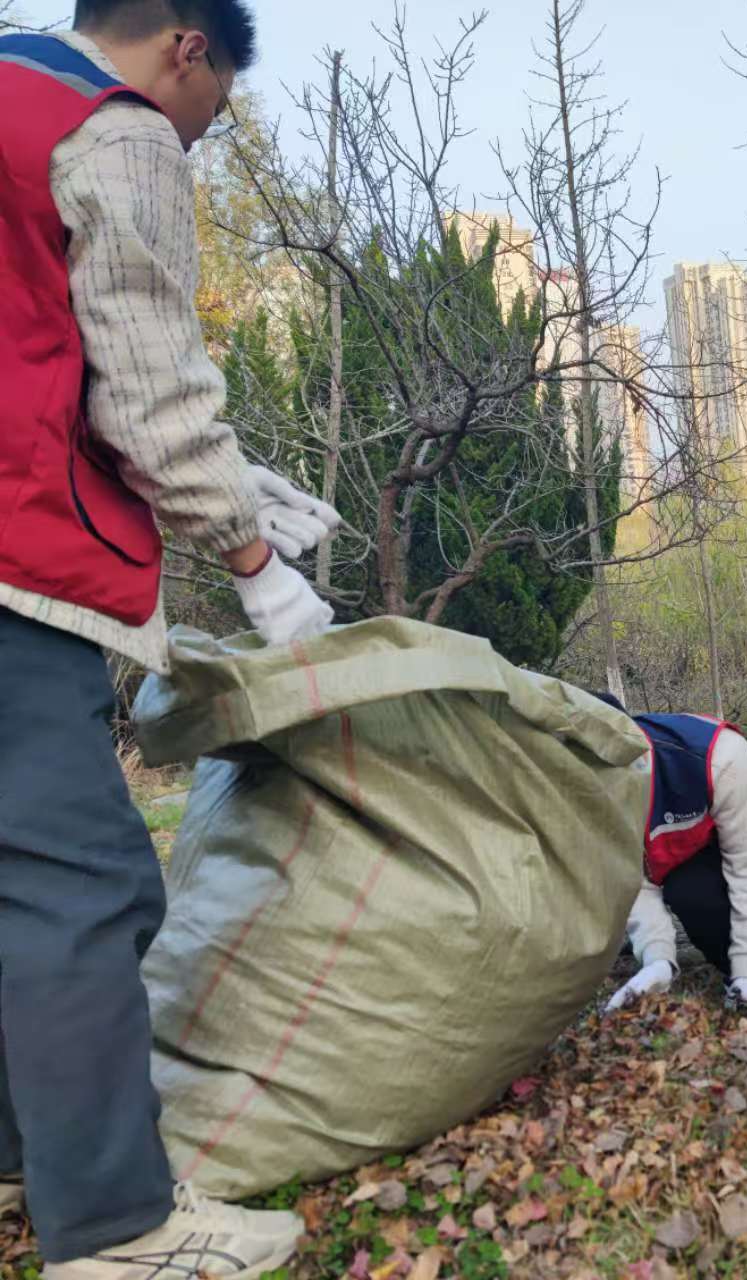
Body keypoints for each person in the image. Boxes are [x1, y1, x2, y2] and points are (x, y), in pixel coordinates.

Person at [0, 4, 343, 1276]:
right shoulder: (113, 125)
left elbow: (51, 362)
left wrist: (237, 479)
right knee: (85, 887)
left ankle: (25, 1149)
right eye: (219, 105)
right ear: (186, 47)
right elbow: (147, 391)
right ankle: (116, 1225)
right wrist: (255, 564)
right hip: (11, 571)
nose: (206, 132)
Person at [594, 696, 747, 1022]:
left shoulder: (717, 755)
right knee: (682, 890)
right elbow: (629, 875)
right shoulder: (581, 790)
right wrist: (657, 958)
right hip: (679, 847)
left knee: (695, 896)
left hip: (745, 824)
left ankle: (740, 981)